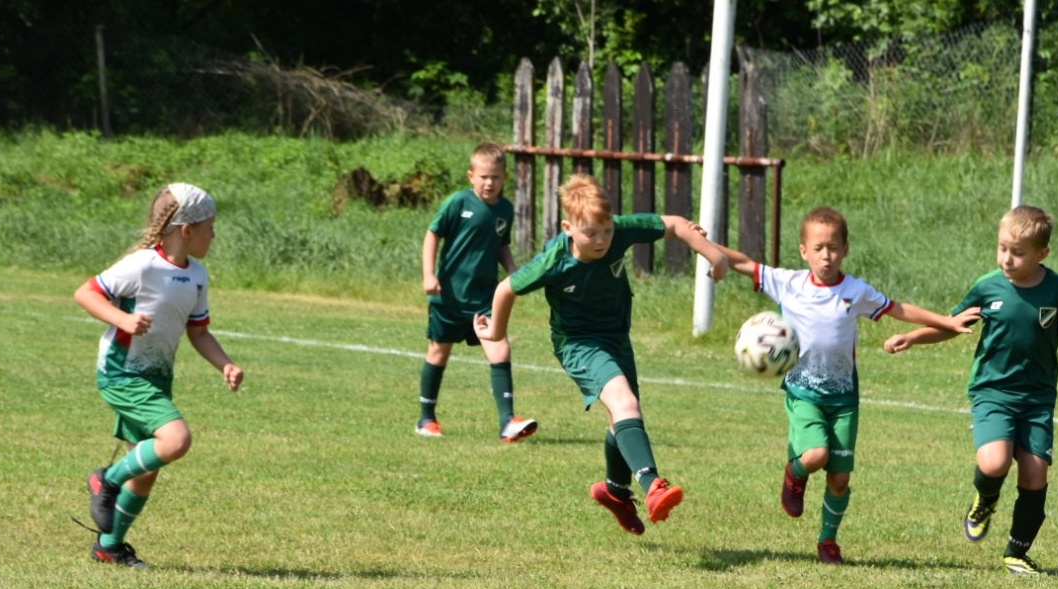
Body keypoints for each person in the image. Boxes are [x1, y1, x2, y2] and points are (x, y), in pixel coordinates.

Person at [720, 206, 979, 564]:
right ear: (804, 251)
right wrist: (708, 247)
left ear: (845, 249)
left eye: (833, 247)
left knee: (839, 479)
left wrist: (947, 322)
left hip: (843, 398)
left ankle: (828, 541)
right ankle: (795, 474)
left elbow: (899, 309)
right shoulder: (788, 284)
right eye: (818, 248)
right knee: (815, 456)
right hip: (804, 392)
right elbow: (744, 263)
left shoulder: (855, 290)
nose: (826, 255)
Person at [475, 175, 728, 534]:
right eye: (591, 233)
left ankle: (615, 492)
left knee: (623, 417)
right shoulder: (554, 261)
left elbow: (673, 224)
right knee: (625, 404)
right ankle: (653, 485)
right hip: (578, 344)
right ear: (568, 228)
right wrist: (495, 333)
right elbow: (506, 289)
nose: (601, 240)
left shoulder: (618, 231)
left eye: (606, 231)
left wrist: (715, 256)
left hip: (616, 339)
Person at [884, 204, 1058, 575]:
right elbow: (952, 324)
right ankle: (985, 499)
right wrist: (912, 336)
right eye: (1002, 248)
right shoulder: (988, 286)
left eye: (1018, 252)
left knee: (1035, 475)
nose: (1007, 258)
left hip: (1037, 399)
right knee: (994, 463)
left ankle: (1016, 553)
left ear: (1042, 253)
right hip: (992, 391)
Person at [76, 182, 243, 568]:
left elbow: (199, 332)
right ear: (187, 230)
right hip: (122, 372)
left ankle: (109, 546)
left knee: (147, 468)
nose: (214, 235)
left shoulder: (197, 275)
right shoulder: (142, 265)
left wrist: (226, 364)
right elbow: (86, 293)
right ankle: (107, 480)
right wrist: (122, 319)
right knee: (177, 439)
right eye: (210, 227)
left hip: (156, 378)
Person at [417, 142, 537, 442]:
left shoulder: (505, 209)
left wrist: (513, 271)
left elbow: (501, 244)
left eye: (495, 177)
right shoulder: (459, 202)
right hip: (449, 297)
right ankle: (426, 419)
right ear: (471, 176)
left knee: (500, 347)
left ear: (505, 178)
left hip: (484, 298)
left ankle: (508, 421)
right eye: (483, 177)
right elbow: (432, 235)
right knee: (438, 353)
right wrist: (429, 274)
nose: (489, 183)